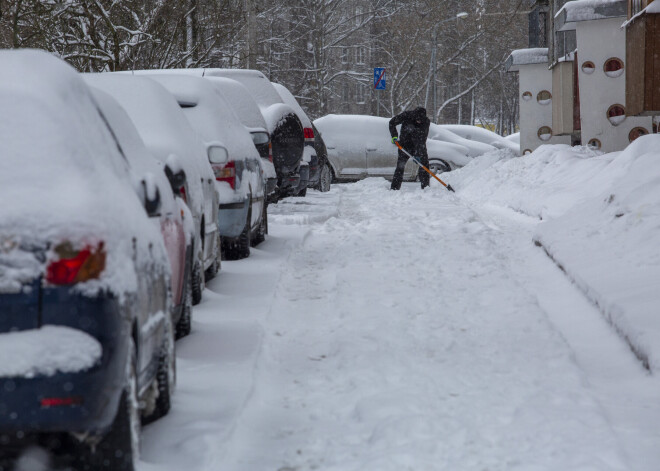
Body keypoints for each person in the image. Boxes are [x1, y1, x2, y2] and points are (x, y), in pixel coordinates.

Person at [389, 106, 431, 190]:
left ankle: (426, 188)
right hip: (404, 146)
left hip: (419, 146)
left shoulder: (426, 122)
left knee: (424, 166)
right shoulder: (406, 115)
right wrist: (394, 136)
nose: (419, 121)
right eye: (417, 119)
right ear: (414, 115)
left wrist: (418, 154)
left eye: (421, 120)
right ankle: (395, 188)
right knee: (400, 167)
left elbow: (422, 139)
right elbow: (392, 123)